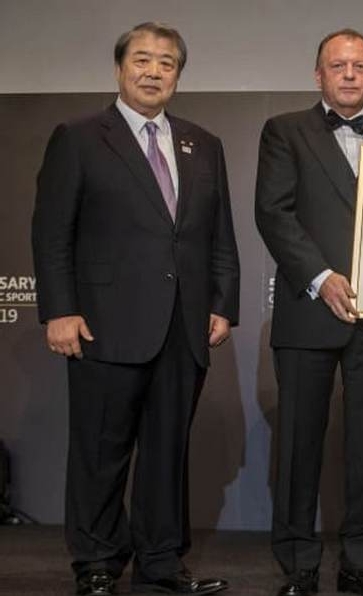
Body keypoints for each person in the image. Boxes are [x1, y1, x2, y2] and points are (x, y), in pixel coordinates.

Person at [31, 22, 240, 596]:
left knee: (168, 452)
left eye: (166, 63)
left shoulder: (204, 143)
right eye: (142, 60)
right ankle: (96, 561)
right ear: (120, 68)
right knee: (101, 450)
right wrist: (59, 310)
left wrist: (223, 302)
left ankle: (162, 561)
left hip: (183, 324)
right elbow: (51, 234)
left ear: (178, 75)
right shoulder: (78, 137)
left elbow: (219, 235)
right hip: (103, 322)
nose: (153, 71)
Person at [254, 29, 363, 596]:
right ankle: (298, 564)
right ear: (318, 74)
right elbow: (274, 214)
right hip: (308, 311)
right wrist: (322, 279)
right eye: (338, 65)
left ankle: (361, 563)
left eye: (360, 66)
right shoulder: (284, 131)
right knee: (299, 443)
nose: (349, 74)